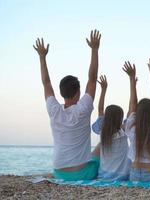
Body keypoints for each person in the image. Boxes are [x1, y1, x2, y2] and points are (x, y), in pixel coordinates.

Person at [33, 30, 102, 181]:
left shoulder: (54, 110)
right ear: (78, 92)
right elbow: (93, 78)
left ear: (61, 92)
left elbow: (46, 83)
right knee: (103, 145)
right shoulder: (83, 109)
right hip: (83, 173)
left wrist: (42, 57)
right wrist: (94, 49)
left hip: (59, 173)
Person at [123, 59, 150, 181]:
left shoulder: (130, 126)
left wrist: (132, 79)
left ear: (137, 112)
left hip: (134, 174)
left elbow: (132, 102)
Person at [91, 75, 131, 181]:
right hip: (123, 176)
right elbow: (131, 110)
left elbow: (100, 109)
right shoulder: (123, 131)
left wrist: (103, 90)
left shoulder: (103, 131)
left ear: (106, 118)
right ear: (120, 118)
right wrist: (132, 82)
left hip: (104, 175)